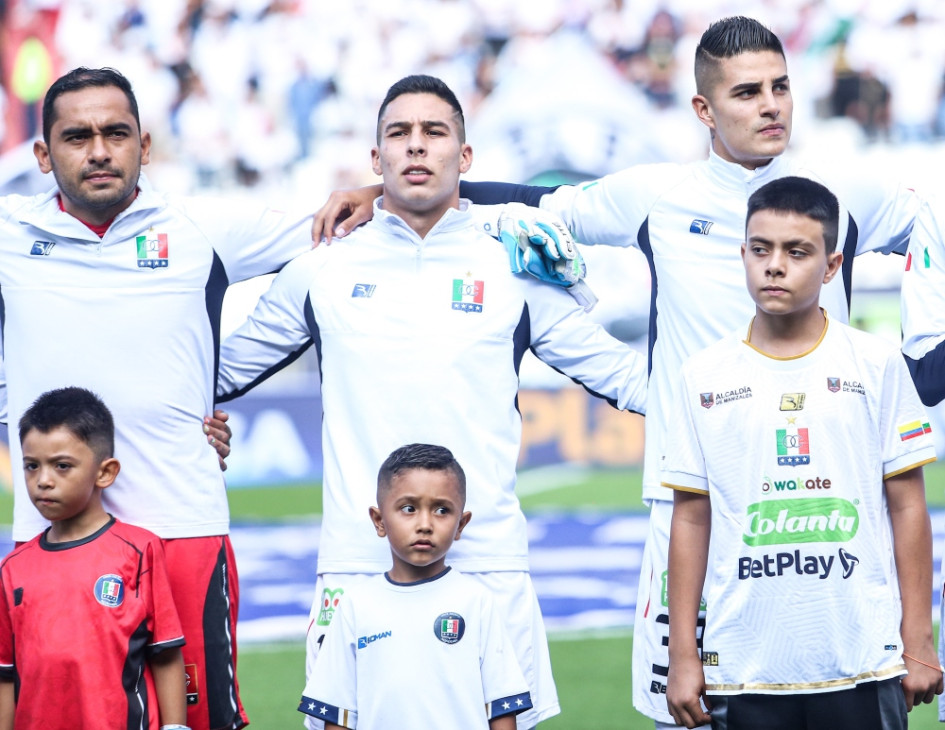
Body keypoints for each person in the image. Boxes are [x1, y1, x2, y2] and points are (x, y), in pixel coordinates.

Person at [306, 16, 922, 728]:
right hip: (695, 492)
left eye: (780, 87)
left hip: (825, 489)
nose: (770, 104)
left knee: (844, 687)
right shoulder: (657, 196)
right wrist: (382, 195)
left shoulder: (845, 191)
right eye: (747, 91)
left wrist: (924, 364)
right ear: (703, 109)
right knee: (691, 708)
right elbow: (533, 203)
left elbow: (929, 231)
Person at [216, 74, 648, 729]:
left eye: (434, 133)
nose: (416, 147)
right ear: (374, 159)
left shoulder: (511, 267)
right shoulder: (322, 268)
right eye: (398, 133)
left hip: (487, 563)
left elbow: (625, 376)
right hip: (358, 569)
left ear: (464, 157)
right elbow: (215, 372)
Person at [0, 66, 320, 730]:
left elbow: (338, 230)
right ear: (41, 154)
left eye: (115, 133)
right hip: (50, 543)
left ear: (144, 145)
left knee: (200, 723)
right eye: (76, 136)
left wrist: (212, 379)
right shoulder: (7, 235)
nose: (98, 151)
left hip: (181, 528)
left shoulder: (204, 225)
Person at [663, 176, 942, 730]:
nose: (774, 266)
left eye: (797, 252)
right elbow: (691, 518)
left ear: (833, 265)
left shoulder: (876, 365)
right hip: (743, 664)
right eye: (761, 250)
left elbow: (908, 507)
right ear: (742, 255)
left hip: (864, 658)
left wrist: (918, 637)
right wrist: (681, 655)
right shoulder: (702, 376)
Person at [299, 443, 532, 730]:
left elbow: (501, 706)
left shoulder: (476, 601)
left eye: (442, 510)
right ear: (379, 520)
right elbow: (338, 713)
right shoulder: (355, 605)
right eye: (409, 508)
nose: (425, 524)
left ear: (461, 524)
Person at [0, 387, 188, 730]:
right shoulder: (13, 568)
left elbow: (165, 653)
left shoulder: (138, 550)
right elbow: (5, 674)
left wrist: (175, 727)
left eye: (62, 466)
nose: (43, 480)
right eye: (31, 466)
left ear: (105, 472)